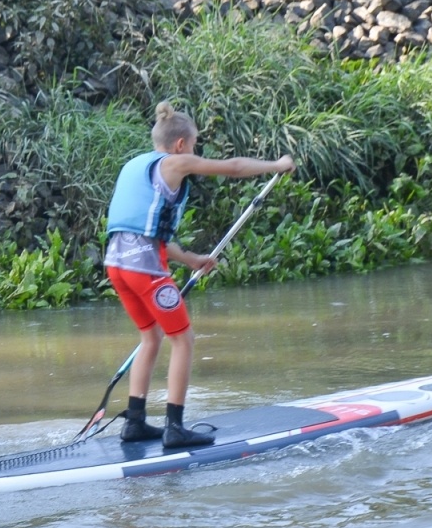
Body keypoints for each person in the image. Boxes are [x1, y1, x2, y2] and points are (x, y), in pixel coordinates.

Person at [105, 102, 294, 448]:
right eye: (194, 144)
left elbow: (143, 230)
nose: (194, 151)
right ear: (180, 144)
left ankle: (134, 423)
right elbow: (234, 167)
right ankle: (175, 428)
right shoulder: (175, 162)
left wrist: (190, 258)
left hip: (116, 266)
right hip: (145, 268)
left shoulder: (134, 165)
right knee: (184, 340)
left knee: (152, 338)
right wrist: (277, 165)